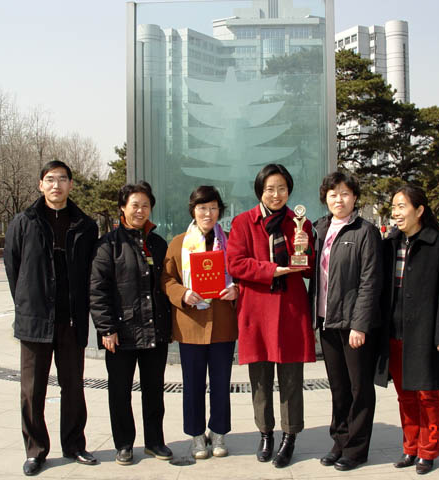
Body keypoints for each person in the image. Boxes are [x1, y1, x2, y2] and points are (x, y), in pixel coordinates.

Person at [3, 160, 99, 476]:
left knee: (73, 387)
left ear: (70, 184)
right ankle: (35, 451)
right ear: (41, 185)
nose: (56, 185)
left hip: (71, 320)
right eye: (50, 179)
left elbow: (90, 272)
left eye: (62, 179)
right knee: (32, 390)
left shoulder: (86, 226)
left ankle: (74, 445)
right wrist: (26, 303)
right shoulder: (24, 222)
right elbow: (13, 267)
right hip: (35, 320)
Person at [226, 164, 316, 468]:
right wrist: (271, 270)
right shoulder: (243, 222)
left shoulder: (300, 223)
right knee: (260, 379)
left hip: (290, 309)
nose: (276, 194)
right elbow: (235, 263)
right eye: (270, 189)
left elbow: (309, 269)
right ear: (260, 191)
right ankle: (265, 433)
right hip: (257, 310)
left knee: (291, 379)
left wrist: (305, 249)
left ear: (289, 190)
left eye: (282, 188)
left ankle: (290, 436)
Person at [374, 185, 439, 475]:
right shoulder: (389, 244)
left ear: (419, 210)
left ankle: (428, 451)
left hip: (424, 333)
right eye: (394, 207)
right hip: (394, 332)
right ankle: (410, 448)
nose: (396, 213)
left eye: (402, 206)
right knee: (405, 395)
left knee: (427, 395)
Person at [89, 181, 173, 466]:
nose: (140, 210)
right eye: (134, 205)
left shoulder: (158, 243)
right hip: (121, 332)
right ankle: (124, 444)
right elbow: (97, 290)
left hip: (154, 330)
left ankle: (155, 441)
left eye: (145, 205)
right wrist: (106, 328)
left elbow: (165, 285)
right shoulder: (108, 245)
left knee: (154, 390)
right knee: (120, 392)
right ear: (122, 208)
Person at [308, 172, 382, 471]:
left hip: (353, 324)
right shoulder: (318, 229)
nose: (339, 199)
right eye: (333, 193)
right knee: (338, 387)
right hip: (326, 320)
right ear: (325, 198)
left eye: (345, 193)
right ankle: (339, 441)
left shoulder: (366, 231)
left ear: (355, 197)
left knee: (359, 388)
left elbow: (370, 281)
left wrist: (360, 324)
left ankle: (356, 448)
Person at [162, 186, 238, 459]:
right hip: (191, 325)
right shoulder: (178, 243)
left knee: (221, 383)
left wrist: (237, 289)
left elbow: (242, 274)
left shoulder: (230, 241)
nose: (208, 213)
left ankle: (218, 433)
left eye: (213, 207)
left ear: (220, 211)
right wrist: (183, 294)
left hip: (222, 324)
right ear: (193, 210)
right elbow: (167, 279)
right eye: (202, 208)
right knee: (192, 384)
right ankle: (196, 435)